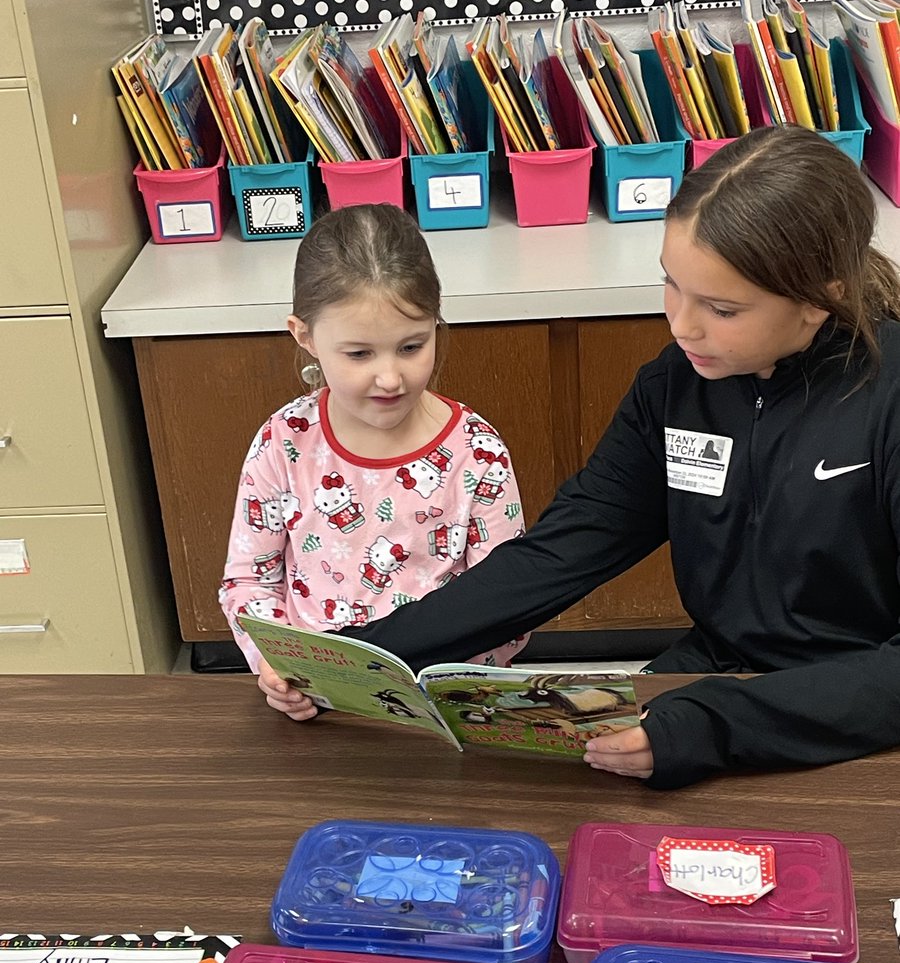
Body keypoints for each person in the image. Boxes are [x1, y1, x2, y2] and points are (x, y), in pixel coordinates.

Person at [338, 126, 900, 789]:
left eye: (722, 309)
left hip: (859, 706)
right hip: (715, 675)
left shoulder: (887, 400)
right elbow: (567, 548)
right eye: (672, 284)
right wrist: (360, 659)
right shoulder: (675, 386)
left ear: (819, 300)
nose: (681, 325)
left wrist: (715, 726)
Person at [220, 203, 527, 718]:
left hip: (445, 707)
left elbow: (510, 601)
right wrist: (274, 665)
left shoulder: (477, 451)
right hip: (320, 702)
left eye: (411, 347)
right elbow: (249, 581)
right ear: (304, 335)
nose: (390, 378)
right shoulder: (285, 441)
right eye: (359, 354)